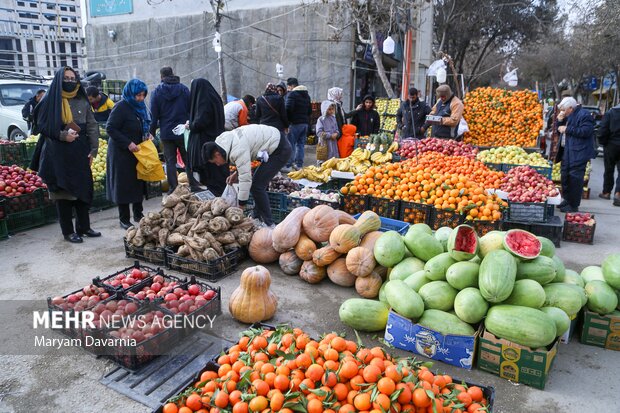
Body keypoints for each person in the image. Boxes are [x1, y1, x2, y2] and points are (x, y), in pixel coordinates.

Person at [31, 67, 100, 243]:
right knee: (63, 194)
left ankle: (84, 227)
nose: (70, 81)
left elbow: (92, 126)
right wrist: (62, 135)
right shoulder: (50, 100)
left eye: (72, 78)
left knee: (83, 190)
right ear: (59, 79)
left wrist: (93, 150)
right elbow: (42, 125)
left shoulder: (82, 100)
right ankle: (68, 232)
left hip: (79, 152)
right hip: (57, 154)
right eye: (66, 78)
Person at [202, 124, 292, 226]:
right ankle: (257, 217)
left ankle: (269, 224)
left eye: (215, 161)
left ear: (217, 154)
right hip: (272, 143)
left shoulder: (236, 149)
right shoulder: (223, 142)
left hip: (279, 149)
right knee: (259, 183)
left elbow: (245, 179)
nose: (217, 164)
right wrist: (236, 174)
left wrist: (240, 208)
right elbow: (244, 161)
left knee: (257, 186)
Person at [106, 79, 152, 229]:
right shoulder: (121, 107)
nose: (140, 98)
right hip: (121, 152)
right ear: (130, 93)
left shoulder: (141, 107)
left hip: (137, 152)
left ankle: (138, 214)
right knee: (124, 185)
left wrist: (147, 135)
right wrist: (127, 143)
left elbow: (144, 124)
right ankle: (124, 219)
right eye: (137, 95)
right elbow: (110, 128)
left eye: (143, 95)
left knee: (138, 182)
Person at [148, 67, 191, 193]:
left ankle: (173, 188)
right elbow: (190, 108)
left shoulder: (156, 92)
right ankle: (193, 184)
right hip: (183, 131)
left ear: (161, 76)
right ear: (173, 74)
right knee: (187, 158)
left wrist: (151, 132)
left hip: (166, 132)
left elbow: (153, 115)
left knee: (170, 161)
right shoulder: (184, 89)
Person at [554, 97, 596, 213]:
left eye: (564, 109)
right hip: (567, 150)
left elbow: (586, 131)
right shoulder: (568, 115)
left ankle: (573, 204)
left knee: (575, 178)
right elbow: (559, 130)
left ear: (571, 108)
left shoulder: (584, 115)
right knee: (565, 176)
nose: (562, 111)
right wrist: (560, 121)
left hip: (578, 152)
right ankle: (567, 200)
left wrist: (567, 128)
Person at [186, 78, 227, 195]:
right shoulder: (214, 97)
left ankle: (217, 196)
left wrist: (191, 125)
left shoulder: (204, 100)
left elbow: (202, 121)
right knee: (218, 171)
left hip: (207, 142)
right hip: (217, 139)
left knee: (213, 171)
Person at [284, 77, 312, 170]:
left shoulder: (292, 94)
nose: (288, 88)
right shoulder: (307, 95)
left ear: (292, 86)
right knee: (300, 145)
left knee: (290, 144)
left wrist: (287, 122)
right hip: (304, 124)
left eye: (288, 86)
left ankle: (288, 165)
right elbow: (310, 110)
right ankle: (299, 165)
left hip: (294, 123)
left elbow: (288, 109)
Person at [597, 103, 620, 206]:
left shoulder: (611, 112)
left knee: (609, 169)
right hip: (612, 143)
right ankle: (618, 193)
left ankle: (606, 192)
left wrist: (604, 142)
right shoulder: (610, 112)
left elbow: (602, 130)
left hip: (611, 145)